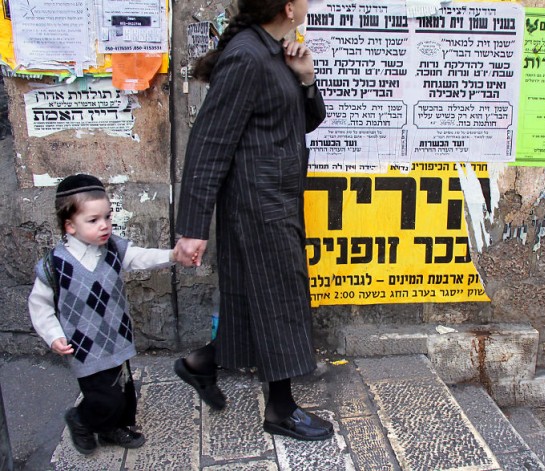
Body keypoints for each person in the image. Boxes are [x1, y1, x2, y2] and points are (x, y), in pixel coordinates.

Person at [172, 0, 333, 441]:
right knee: (280, 299)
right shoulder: (247, 55)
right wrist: (192, 228)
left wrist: (306, 79)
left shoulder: (274, 52)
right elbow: (209, 143)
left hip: (275, 199)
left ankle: (201, 363)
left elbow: (307, 121)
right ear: (287, 6)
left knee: (252, 301)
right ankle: (281, 409)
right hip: (257, 204)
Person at [28, 174, 176, 455]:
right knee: (103, 397)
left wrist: (172, 255)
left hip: (116, 338)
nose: (105, 225)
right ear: (70, 225)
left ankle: (111, 430)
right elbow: (40, 305)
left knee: (122, 389)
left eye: (107, 217)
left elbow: (140, 257)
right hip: (84, 347)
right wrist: (54, 336)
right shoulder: (55, 265)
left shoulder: (114, 249)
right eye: (93, 220)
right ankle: (81, 419)